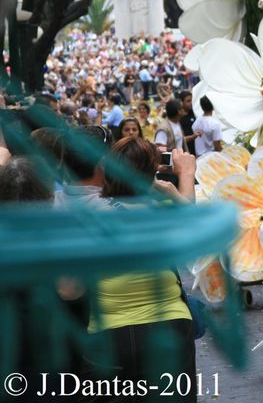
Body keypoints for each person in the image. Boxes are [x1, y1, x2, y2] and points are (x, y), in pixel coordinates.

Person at [82, 138, 197, 401]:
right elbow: (194, 224)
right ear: (153, 172)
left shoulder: (89, 214)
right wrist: (186, 175)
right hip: (169, 324)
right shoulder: (165, 209)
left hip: (110, 332)